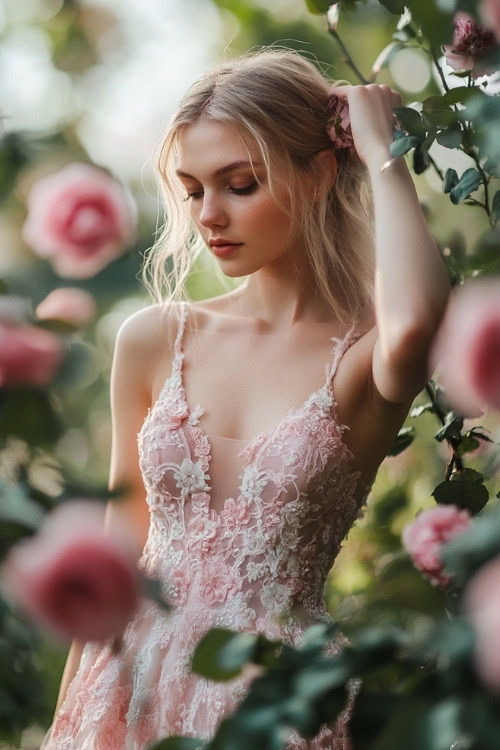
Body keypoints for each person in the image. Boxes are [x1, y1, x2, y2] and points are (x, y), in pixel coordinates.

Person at [41, 47, 451, 749]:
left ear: (319, 174)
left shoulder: (360, 358)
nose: (210, 215)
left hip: (275, 702)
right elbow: (119, 550)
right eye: (193, 189)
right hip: (125, 690)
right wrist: (62, 726)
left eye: (239, 184)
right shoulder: (154, 338)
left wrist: (383, 153)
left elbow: (418, 323)